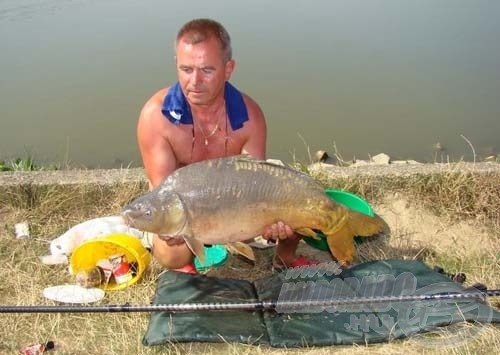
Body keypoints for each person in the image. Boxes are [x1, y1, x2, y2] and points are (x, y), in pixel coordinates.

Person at [137, 18, 316, 273]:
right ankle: (187, 263)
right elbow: (162, 193)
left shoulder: (249, 117)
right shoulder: (156, 117)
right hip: (186, 206)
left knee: (293, 199)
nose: (195, 81)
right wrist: (171, 227)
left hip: (234, 204)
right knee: (170, 253)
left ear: (228, 68)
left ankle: (285, 256)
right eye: (186, 69)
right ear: (176, 64)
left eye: (207, 70)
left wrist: (272, 222)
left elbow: (259, 182)